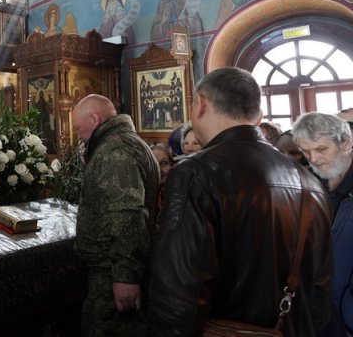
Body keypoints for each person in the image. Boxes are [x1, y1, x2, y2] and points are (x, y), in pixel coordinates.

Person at [148, 68, 333, 336]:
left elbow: (178, 291)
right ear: (258, 116)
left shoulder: (195, 173)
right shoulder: (309, 181)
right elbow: (320, 287)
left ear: (200, 104)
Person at [71, 94, 160, 336]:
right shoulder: (122, 143)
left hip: (111, 271)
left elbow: (128, 214)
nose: (78, 135)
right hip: (112, 268)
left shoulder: (115, 151)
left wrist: (125, 276)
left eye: (78, 128)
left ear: (94, 119)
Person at [292, 112, 353, 334]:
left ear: (346, 142)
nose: (314, 159)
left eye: (321, 149)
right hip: (313, 308)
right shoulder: (300, 181)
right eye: (305, 152)